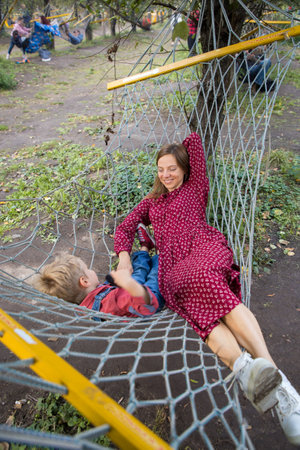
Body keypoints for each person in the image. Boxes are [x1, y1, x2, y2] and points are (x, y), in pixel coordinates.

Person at [114, 132, 300, 445]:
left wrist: (179, 148)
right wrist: (124, 261)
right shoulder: (151, 203)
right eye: (161, 169)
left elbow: (195, 140)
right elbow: (125, 227)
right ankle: (277, 393)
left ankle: (271, 379)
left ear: (185, 169)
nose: (166, 174)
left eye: (172, 167)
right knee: (198, 300)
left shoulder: (196, 185)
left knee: (202, 278)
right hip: (173, 268)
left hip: (203, 248)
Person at [33, 230, 164, 318]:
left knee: (133, 268)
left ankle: (146, 247)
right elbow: (146, 303)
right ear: (85, 281)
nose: (91, 270)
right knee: (152, 272)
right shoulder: (113, 301)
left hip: (125, 297)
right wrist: (128, 283)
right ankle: (161, 252)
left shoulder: (85, 305)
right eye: (88, 269)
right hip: (149, 300)